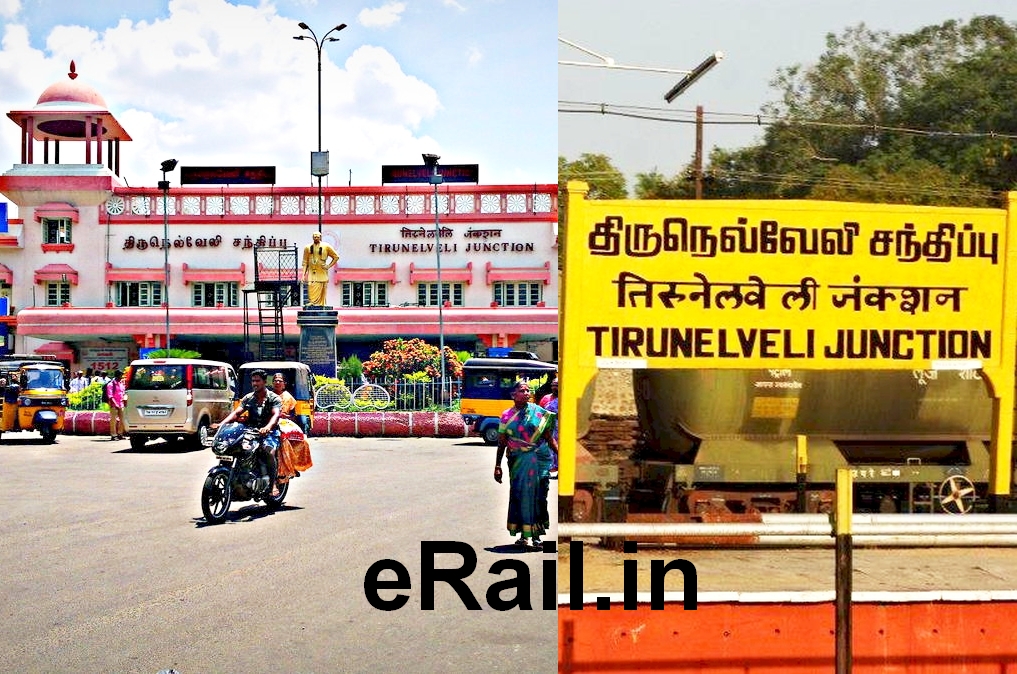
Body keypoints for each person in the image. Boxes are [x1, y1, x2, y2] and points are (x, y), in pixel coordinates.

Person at [494, 380, 557, 549]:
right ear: (513, 395)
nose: (527, 393)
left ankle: (536, 537)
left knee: (539, 497)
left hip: (538, 462)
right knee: (519, 496)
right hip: (517, 462)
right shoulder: (506, 416)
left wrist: (564, 459)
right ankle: (523, 536)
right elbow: (502, 443)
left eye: (528, 390)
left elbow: (550, 440)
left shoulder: (539, 413)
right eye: (522, 390)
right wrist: (497, 465)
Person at [214, 368, 283, 497]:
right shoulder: (248, 397)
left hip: (270, 432)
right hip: (250, 430)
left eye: (258, 381)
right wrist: (221, 424)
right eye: (253, 381)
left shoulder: (274, 398)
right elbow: (236, 413)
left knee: (268, 451)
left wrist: (267, 427)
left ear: (264, 382)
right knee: (234, 446)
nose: (255, 383)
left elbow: (275, 415)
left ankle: (272, 483)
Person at [301, 231, 339, 308]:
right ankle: (312, 302)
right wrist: (303, 275)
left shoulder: (326, 246)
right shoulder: (307, 247)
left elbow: (336, 257)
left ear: (320, 237)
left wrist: (328, 266)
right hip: (311, 271)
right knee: (310, 285)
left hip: (322, 270)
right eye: (315, 237)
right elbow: (305, 262)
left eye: (318, 237)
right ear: (312, 238)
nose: (316, 238)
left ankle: (322, 303)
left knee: (322, 285)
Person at [107, 369, 126, 440]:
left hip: (121, 403)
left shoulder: (121, 383)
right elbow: (110, 396)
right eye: (121, 375)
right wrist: (115, 404)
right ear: (117, 375)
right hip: (113, 404)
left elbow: (123, 393)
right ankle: (113, 435)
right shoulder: (111, 384)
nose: (122, 376)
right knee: (113, 420)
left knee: (122, 419)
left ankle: (120, 434)